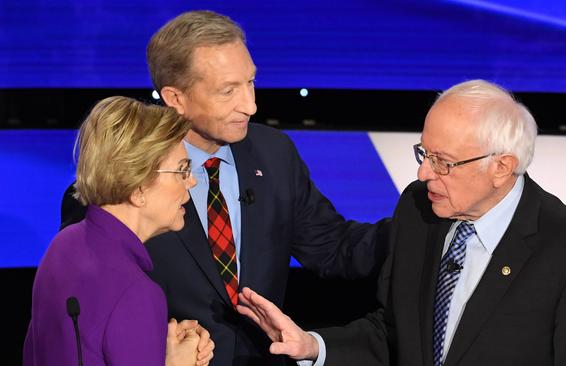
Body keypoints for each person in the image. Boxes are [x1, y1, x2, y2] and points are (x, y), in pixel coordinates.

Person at [60, 10, 390, 365]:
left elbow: (334, 247)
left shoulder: (274, 154)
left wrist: (423, 230)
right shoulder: (121, 182)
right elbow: (90, 317)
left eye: (250, 82)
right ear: (176, 98)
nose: (250, 105)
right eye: (228, 90)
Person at [236, 80, 566, 366]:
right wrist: (312, 346)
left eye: (443, 161)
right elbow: (393, 332)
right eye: (423, 153)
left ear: (502, 167)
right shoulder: (419, 210)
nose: (424, 173)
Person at [25, 97, 215, 365]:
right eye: (181, 171)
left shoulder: (63, 245)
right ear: (138, 189)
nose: (192, 182)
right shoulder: (137, 292)